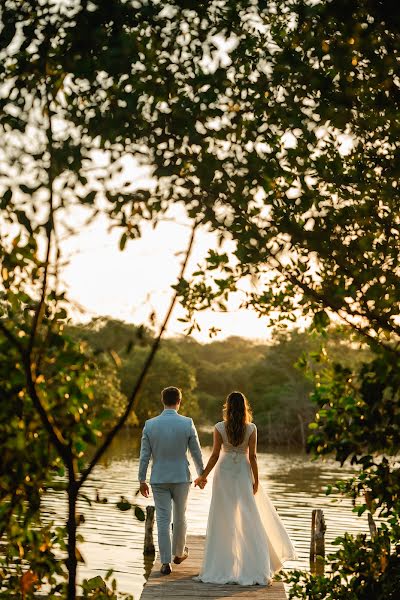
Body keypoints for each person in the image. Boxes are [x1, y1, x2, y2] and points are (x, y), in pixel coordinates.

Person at [194, 391, 297, 586]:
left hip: (223, 473)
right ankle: (253, 567)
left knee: (223, 516)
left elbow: (215, 455)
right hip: (242, 472)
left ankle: (221, 566)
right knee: (248, 515)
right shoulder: (251, 428)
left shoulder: (218, 427)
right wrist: (256, 481)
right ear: (244, 408)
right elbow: (253, 457)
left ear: (228, 407)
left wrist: (203, 476)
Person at [138, 386, 205, 575]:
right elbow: (196, 452)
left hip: (158, 478)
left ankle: (165, 562)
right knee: (180, 516)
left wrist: (142, 479)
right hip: (181, 478)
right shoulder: (187, 423)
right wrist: (201, 474)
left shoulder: (150, 425)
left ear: (162, 401)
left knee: (162, 519)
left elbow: (144, 455)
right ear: (179, 401)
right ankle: (178, 553)